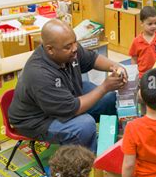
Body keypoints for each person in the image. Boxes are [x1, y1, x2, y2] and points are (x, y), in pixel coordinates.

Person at [9, 19, 128, 153]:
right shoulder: (39, 74)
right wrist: (104, 87)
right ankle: (88, 160)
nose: (75, 48)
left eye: (74, 42)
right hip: (37, 120)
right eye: (68, 47)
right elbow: (72, 108)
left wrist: (115, 66)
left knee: (110, 97)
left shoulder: (70, 48)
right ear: (50, 49)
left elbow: (92, 59)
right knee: (85, 124)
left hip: (63, 97)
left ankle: (114, 139)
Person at [129, 6, 156, 78]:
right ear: (141, 23)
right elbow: (134, 59)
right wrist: (134, 74)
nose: (153, 26)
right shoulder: (136, 41)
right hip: (142, 76)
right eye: (150, 24)